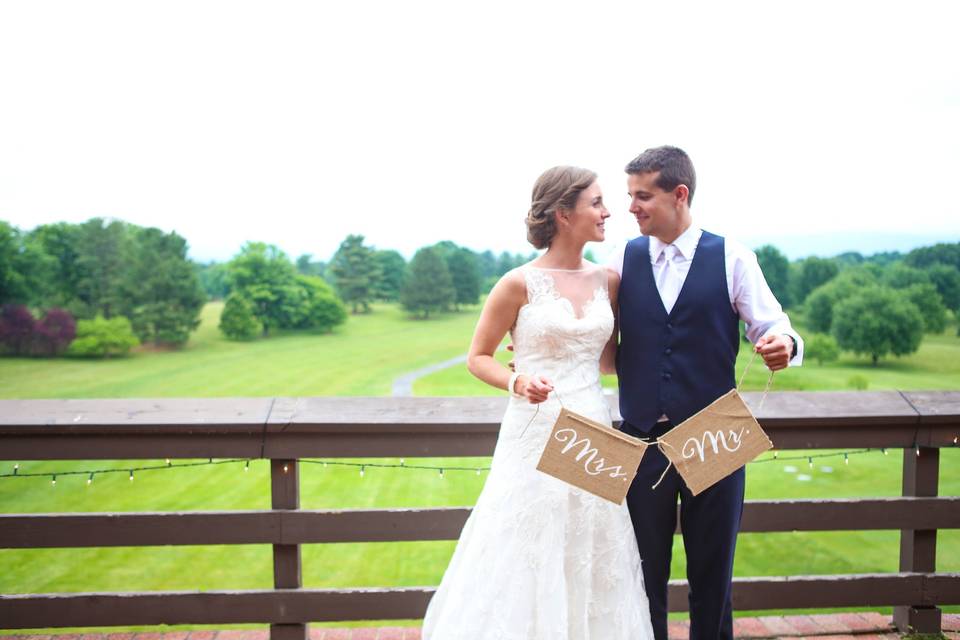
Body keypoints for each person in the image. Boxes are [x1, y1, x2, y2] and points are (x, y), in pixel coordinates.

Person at [422, 166, 654, 639]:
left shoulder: (608, 281)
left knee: (593, 545)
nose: (608, 211)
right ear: (563, 213)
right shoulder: (517, 283)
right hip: (534, 431)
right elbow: (477, 357)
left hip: (592, 429)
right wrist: (518, 381)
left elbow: (608, 362)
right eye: (596, 202)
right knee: (526, 544)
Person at [609, 145, 803, 640]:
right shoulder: (621, 259)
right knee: (639, 579)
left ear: (680, 194)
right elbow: (589, 330)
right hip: (640, 442)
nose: (631, 207)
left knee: (713, 577)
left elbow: (777, 326)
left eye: (642, 196)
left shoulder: (733, 257)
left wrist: (784, 344)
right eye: (629, 195)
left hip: (716, 438)